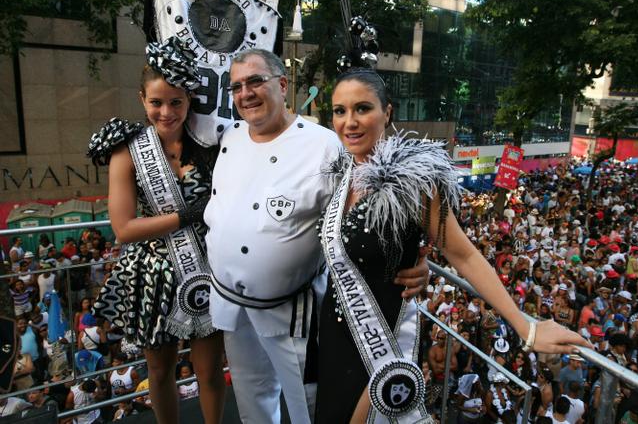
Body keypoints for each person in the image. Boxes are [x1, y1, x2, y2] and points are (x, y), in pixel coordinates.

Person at [316, 68, 590, 422]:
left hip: (379, 343)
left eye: (362, 108)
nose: (349, 122)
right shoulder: (341, 173)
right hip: (335, 336)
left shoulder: (414, 182)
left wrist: (527, 327)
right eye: (340, 111)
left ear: (388, 112)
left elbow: (464, 255)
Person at [203, 50, 428, 424]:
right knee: (250, 397)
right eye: (237, 86)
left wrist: (418, 260)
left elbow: (373, 209)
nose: (246, 93)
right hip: (230, 301)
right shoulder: (230, 135)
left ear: (283, 84)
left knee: (305, 405)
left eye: (256, 81)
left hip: (290, 309)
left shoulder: (327, 145)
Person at [88, 38, 224, 424]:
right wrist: (186, 217)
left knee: (210, 372)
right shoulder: (126, 150)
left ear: (189, 100)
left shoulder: (210, 143)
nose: (166, 112)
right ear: (141, 99)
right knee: (160, 371)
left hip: (204, 269)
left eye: (176, 102)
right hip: (152, 275)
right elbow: (124, 228)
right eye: (156, 103)